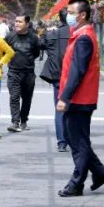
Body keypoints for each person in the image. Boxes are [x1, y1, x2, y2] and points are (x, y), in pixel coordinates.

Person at [56, 0, 104, 197]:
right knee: (77, 139)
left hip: (80, 98)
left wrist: (65, 97)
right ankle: (99, 173)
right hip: (81, 97)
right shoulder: (81, 35)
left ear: (82, 15)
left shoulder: (83, 38)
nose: (68, 15)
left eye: (71, 13)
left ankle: (76, 183)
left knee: (78, 143)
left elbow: (77, 72)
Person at [39, 10, 71, 152]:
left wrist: (46, 32)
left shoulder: (52, 33)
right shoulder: (77, 33)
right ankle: (76, 139)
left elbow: (40, 44)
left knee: (60, 109)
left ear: (60, 19)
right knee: (76, 109)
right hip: (73, 75)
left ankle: (62, 142)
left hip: (57, 75)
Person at [5, 15, 42, 133]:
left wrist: (27, 61)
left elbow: (36, 52)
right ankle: (15, 122)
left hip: (28, 73)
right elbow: (3, 50)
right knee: (14, 97)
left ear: (27, 24)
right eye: (16, 21)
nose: (16, 23)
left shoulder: (33, 37)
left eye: (20, 22)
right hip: (13, 72)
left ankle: (24, 121)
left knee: (27, 98)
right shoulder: (10, 36)